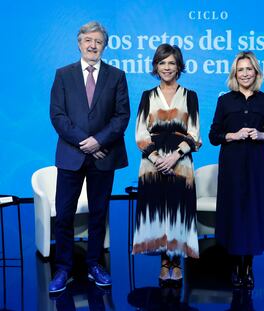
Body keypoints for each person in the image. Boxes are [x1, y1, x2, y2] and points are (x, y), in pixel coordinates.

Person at [49, 21, 130, 293]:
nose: (93, 45)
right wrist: (85, 142)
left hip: (104, 156)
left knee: (98, 214)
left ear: (104, 46)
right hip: (71, 155)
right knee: (64, 215)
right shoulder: (63, 74)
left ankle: (95, 264)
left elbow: (122, 117)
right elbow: (58, 115)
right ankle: (63, 268)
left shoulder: (117, 76)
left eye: (98, 41)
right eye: (88, 41)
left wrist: (99, 141)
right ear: (79, 43)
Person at [209, 51, 264, 289]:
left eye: (249, 69)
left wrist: (262, 135)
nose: (245, 74)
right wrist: (232, 135)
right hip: (231, 166)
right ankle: (235, 265)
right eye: (240, 70)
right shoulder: (225, 101)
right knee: (234, 213)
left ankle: (247, 267)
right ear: (235, 74)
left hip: (258, 165)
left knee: (252, 213)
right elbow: (213, 136)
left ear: (256, 72)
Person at [133, 44, 201, 288]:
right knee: (159, 211)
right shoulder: (146, 96)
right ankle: (164, 263)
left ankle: (176, 262)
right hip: (152, 164)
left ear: (179, 66)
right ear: (156, 66)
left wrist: (174, 156)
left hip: (181, 163)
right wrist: (156, 158)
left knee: (177, 211)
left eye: (172, 63)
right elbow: (140, 133)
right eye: (162, 63)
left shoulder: (190, 96)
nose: (167, 67)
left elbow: (194, 135)